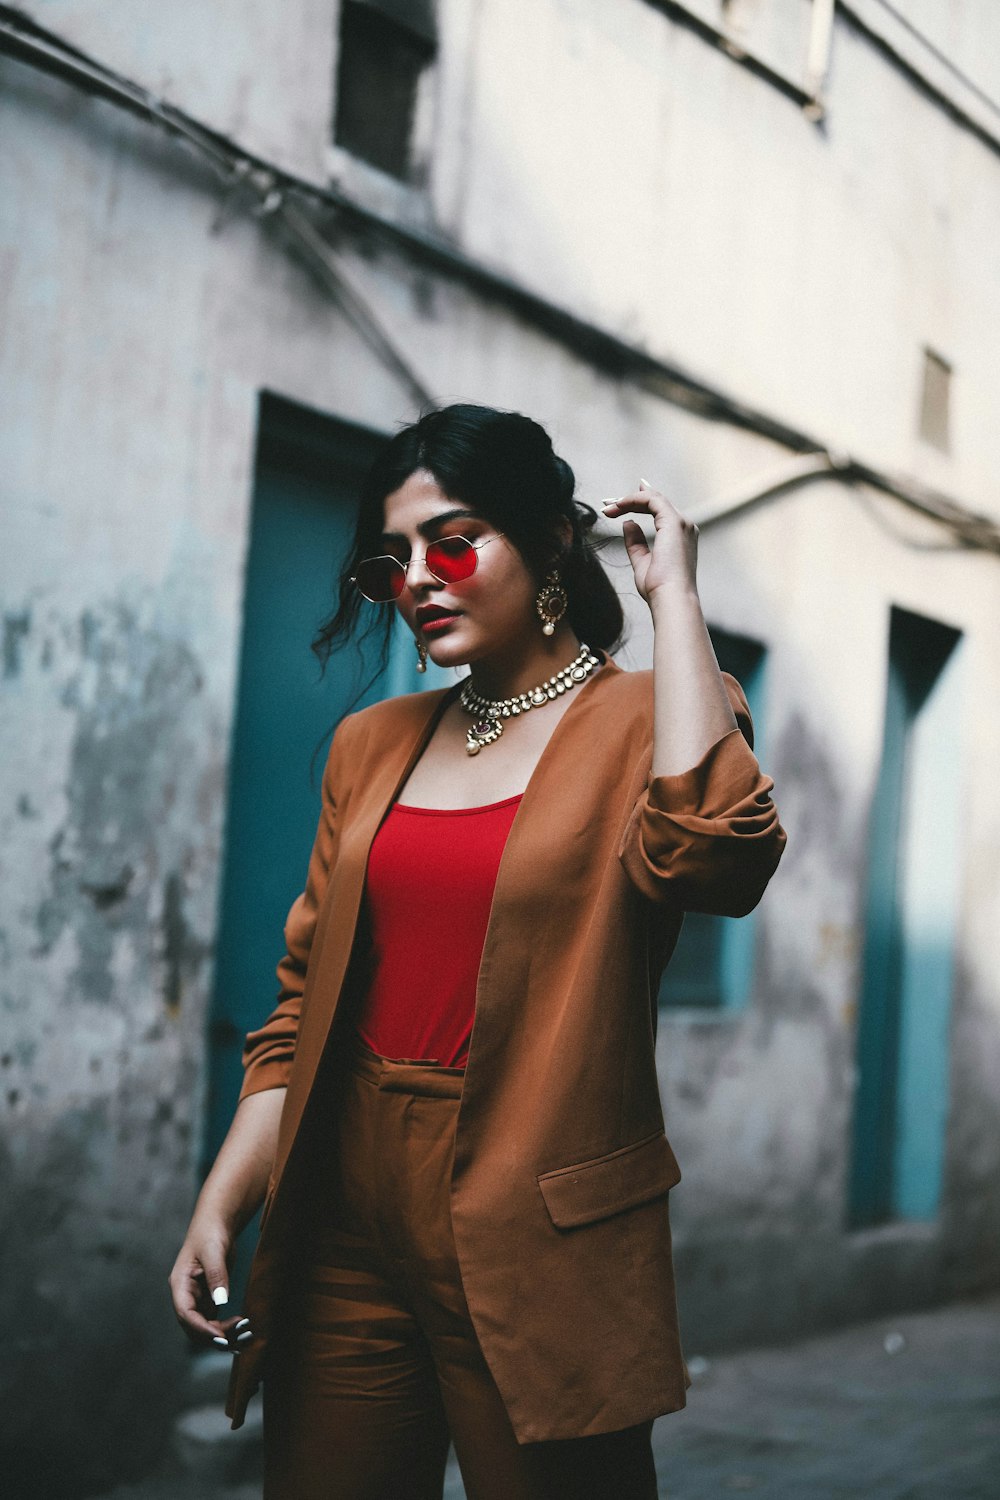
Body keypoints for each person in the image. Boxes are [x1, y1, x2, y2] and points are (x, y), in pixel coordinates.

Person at [169, 404, 786, 1499]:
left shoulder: (651, 721)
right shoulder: (372, 746)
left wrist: (674, 599)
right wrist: (223, 1200)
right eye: (389, 561)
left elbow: (713, 863)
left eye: (452, 542)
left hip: (538, 1219)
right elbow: (303, 1004)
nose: (418, 577)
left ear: (549, 538)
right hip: (343, 1218)